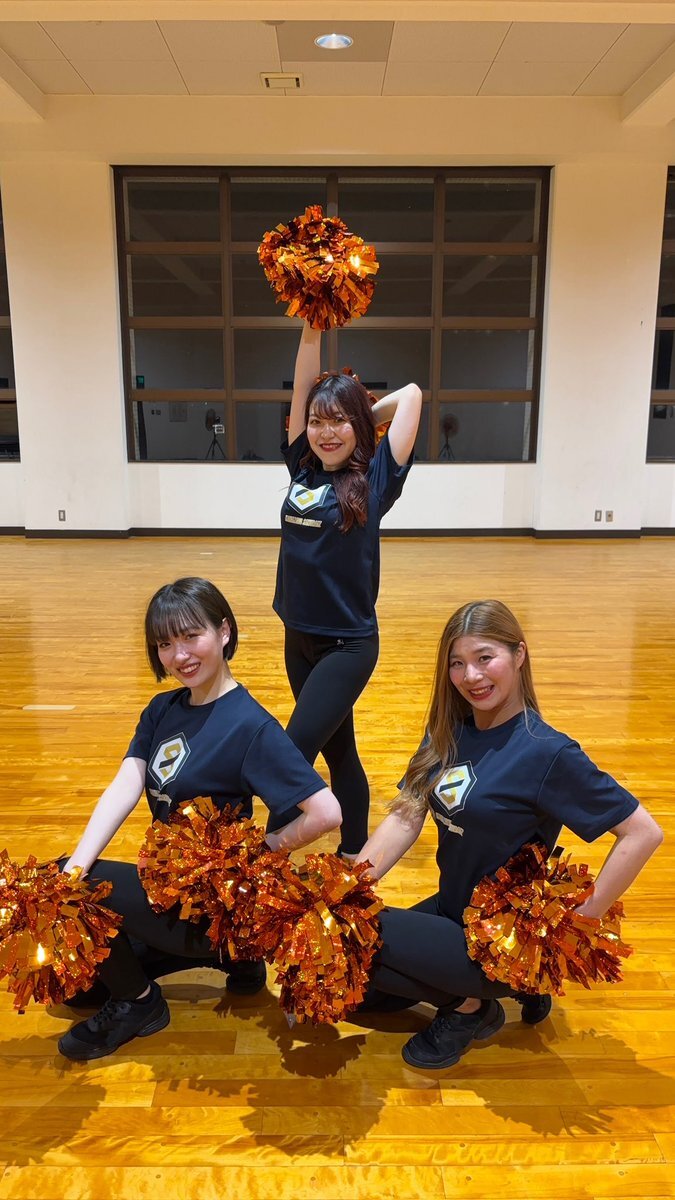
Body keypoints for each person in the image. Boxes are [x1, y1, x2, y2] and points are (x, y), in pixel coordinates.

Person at [355, 600, 663, 1071]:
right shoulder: (448, 729)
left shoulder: (547, 752)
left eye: (485, 658)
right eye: (457, 663)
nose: (471, 676)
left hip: (495, 938)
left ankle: (471, 1006)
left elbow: (643, 832)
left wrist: (578, 923)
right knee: (356, 981)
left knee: (357, 933)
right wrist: (348, 886)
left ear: (519, 654)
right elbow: (406, 817)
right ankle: (503, 989)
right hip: (450, 907)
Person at [57, 577, 341, 1061]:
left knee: (79, 896)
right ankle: (239, 960)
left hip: (209, 907)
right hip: (169, 890)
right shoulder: (163, 708)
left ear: (224, 631)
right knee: (80, 990)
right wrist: (77, 868)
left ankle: (141, 1004)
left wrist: (261, 854)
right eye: (165, 643)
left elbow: (327, 812)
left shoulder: (252, 726)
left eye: (191, 636)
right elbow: (126, 785)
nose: (179, 655)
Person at [269, 321, 423, 857]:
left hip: (347, 645)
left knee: (291, 752)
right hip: (298, 637)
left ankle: (260, 855)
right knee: (340, 754)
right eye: (317, 421)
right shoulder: (302, 465)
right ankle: (354, 854)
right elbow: (303, 383)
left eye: (338, 422)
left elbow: (412, 396)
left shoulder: (376, 479)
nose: (325, 432)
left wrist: (358, 414)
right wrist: (311, 326)